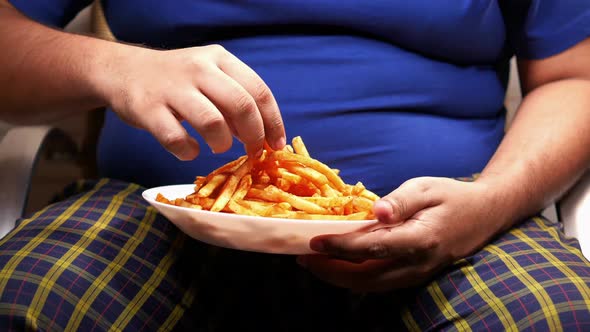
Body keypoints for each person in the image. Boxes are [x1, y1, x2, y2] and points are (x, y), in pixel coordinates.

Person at [1, 0, 589, 330]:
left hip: (458, 220)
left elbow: (577, 77)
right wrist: (111, 66)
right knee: (23, 302)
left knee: (553, 320)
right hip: (157, 210)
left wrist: (494, 200)